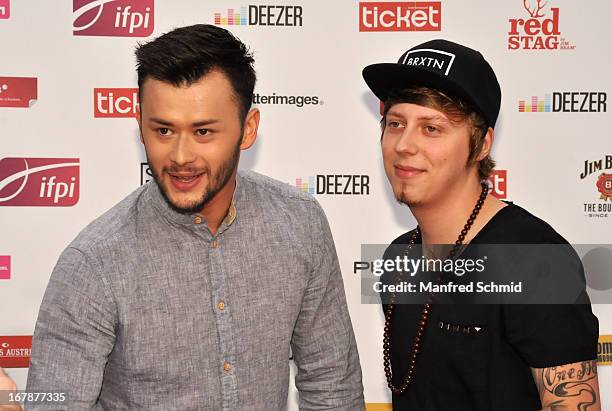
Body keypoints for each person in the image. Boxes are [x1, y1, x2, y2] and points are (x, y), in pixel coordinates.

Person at [25, 24, 364, 410]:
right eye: (164, 130)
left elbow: (331, 385)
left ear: (248, 128)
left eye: (203, 131)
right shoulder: (94, 264)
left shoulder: (299, 224)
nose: (181, 156)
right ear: (140, 127)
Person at [362, 39, 600, 410]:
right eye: (395, 123)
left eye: (432, 128)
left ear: (481, 144)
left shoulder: (535, 259)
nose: (404, 145)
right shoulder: (398, 259)